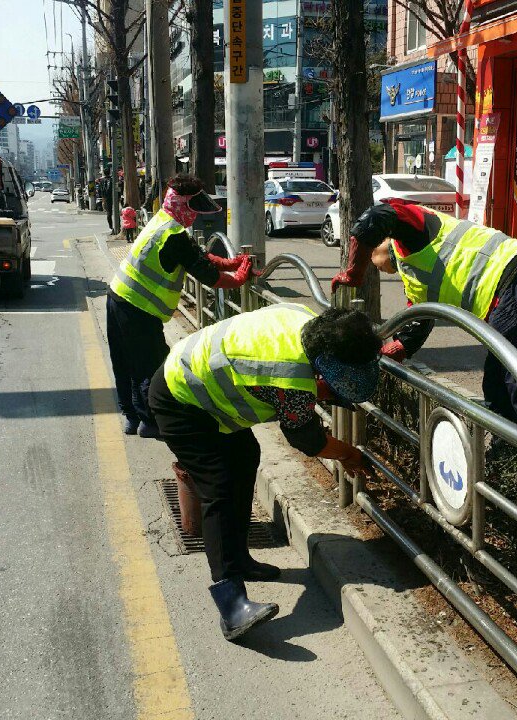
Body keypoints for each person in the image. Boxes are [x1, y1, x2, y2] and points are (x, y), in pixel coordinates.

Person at [148, 304, 380, 640]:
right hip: (180, 398)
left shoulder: (308, 323)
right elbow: (308, 440)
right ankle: (231, 605)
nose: (329, 397)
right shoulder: (292, 379)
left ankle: (240, 559)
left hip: (203, 388)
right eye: (332, 390)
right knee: (220, 486)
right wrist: (347, 454)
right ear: (320, 372)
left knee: (245, 456)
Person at [332, 199, 517, 459]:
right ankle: (509, 455)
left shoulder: (414, 230)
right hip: (512, 291)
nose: (377, 268)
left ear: (385, 241)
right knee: (498, 386)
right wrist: (377, 359)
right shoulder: (413, 278)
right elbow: (412, 332)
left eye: (373, 257)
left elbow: (372, 219)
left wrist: (355, 271)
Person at [107, 173, 252, 438]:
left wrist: (230, 263)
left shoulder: (162, 221)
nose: (197, 216)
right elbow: (207, 275)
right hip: (137, 307)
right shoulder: (173, 233)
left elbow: (195, 255)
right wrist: (240, 278)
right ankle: (151, 422)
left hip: (118, 296)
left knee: (125, 361)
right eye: (194, 209)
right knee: (152, 365)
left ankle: (131, 417)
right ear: (184, 205)